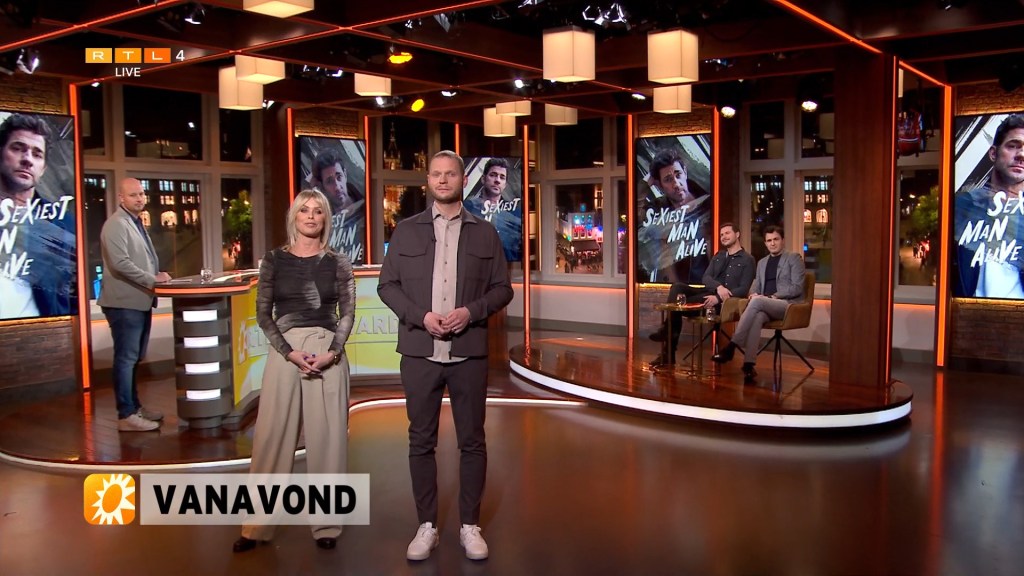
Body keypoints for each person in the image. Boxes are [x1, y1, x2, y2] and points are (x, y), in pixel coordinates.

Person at [378, 150, 513, 562]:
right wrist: (420, 316)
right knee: (421, 441)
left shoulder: (485, 233)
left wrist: (471, 312)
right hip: (419, 352)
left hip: (468, 353)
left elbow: (502, 289)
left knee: (472, 441)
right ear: (428, 180)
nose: (442, 180)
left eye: (450, 173)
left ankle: (470, 526)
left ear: (462, 180)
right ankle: (427, 526)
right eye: (436, 174)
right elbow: (387, 286)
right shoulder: (406, 231)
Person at [234, 189, 356, 553]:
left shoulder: (338, 261)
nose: (311, 216)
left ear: (325, 219)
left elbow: (347, 313)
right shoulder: (274, 260)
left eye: (318, 211)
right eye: (305, 210)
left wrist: (333, 352)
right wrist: (288, 352)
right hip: (285, 352)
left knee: (328, 439)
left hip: (327, 350)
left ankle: (327, 524)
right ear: (294, 217)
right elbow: (262, 314)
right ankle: (256, 526)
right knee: (271, 437)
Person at [98, 178, 172, 432]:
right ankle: (126, 415)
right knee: (126, 359)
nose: (139, 199)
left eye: (141, 194)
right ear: (121, 198)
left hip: (139, 301)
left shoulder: (135, 222)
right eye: (133, 195)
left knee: (133, 358)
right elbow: (120, 264)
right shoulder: (116, 224)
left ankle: (134, 408)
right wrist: (152, 279)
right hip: (124, 303)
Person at [0, 113, 76, 319]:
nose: (27, 159)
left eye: (37, 154)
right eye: (18, 148)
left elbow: (71, 290)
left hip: (41, 331)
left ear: (43, 169)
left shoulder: (61, 223)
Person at [650, 222, 755, 364]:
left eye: (727, 233)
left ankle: (667, 346)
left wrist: (718, 298)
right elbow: (705, 278)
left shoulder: (748, 260)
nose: (723, 237)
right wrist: (718, 287)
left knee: (676, 307)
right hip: (707, 292)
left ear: (737, 234)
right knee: (677, 287)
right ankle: (667, 335)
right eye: (721, 235)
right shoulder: (718, 256)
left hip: (724, 303)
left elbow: (743, 289)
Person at [712, 225, 805, 381]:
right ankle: (748, 365)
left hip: (787, 305)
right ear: (765, 243)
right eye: (769, 240)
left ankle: (732, 346)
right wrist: (753, 294)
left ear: (783, 240)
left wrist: (774, 296)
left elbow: (797, 287)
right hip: (764, 304)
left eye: (776, 239)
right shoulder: (762, 262)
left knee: (758, 302)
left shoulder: (794, 258)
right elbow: (755, 286)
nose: (772, 243)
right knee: (757, 316)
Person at [954, 113, 1024, 298]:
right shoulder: (962, 206)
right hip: (970, 311)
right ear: (993, 153)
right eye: (1013, 146)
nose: (1021, 155)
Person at [637, 148, 711, 283]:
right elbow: (634, 215)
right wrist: (646, 182)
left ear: (685, 172)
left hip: (708, 287)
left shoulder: (708, 203)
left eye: (678, 175)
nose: (676, 184)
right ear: (659, 186)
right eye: (668, 179)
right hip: (678, 287)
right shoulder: (659, 211)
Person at [311, 148, 366, 263]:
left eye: (339, 177)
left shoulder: (365, 209)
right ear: (322, 186)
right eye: (329, 181)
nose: (337, 186)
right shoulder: (322, 221)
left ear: (345, 175)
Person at [463, 157, 523, 263]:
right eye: (493, 175)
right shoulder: (467, 208)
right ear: (483, 179)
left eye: (502, 177)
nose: (497, 180)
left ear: (505, 184)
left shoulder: (515, 215)